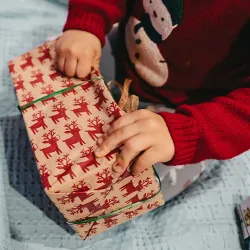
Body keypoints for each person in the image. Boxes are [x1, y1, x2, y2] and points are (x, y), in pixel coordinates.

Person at [55, 0, 250, 199]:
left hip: (187, 116)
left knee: (128, 188)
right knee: (59, 75)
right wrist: (87, 21)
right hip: (121, 52)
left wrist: (187, 133)